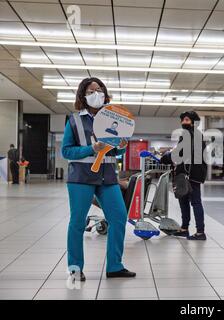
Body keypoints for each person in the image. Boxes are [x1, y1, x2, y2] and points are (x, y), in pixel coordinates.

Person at [62, 77, 136, 281]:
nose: (97, 93)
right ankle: (75, 268)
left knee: (119, 217)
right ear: (83, 96)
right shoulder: (75, 120)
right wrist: (91, 148)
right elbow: (66, 151)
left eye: (100, 89)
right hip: (81, 178)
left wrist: (121, 146)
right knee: (77, 222)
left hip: (108, 178)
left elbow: (116, 152)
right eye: (91, 90)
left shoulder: (114, 117)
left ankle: (114, 266)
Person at [161, 111, 207, 240]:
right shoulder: (194, 135)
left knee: (195, 202)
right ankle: (184, 228)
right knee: (183, 201)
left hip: (191, 174)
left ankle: (200, 232)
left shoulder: (191, 135)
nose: (183, 122)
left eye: (186, 120)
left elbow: (182, 152)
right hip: (188, 173)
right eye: (182, 120)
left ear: (193, 121)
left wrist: (167, 156)